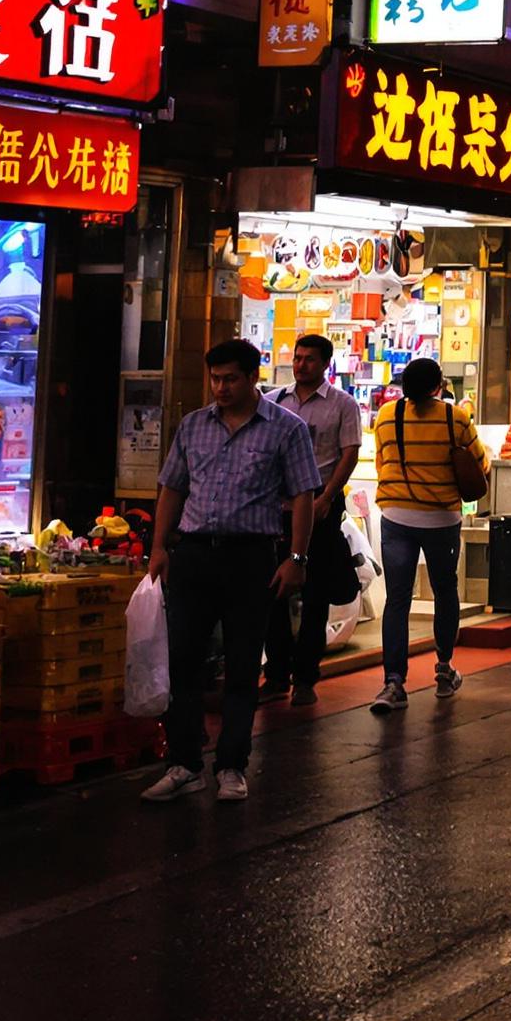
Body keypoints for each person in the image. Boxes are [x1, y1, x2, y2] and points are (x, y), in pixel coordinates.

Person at [142, 339, 321, 803]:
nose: (220, 387)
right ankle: (184, 763)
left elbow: (304, 496)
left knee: (243, 666)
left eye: (230, 379)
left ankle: (231, 765)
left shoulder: (286, 429)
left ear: (252, 377)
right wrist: (159, 547)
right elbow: (171, 488)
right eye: (215, 379)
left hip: (251, 556)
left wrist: (296, 559)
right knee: (182, 661)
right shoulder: (193, 426)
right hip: (195, 554)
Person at [367, 357, 490, 712]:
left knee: (398, 599)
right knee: (444, 590)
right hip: (440, 518)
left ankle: (393, 683)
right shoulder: (456, 417)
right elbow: (479, 467)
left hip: (396, 515)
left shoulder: (387, 415)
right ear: (439, 386)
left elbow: (381, 462)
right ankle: (443, 668)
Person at [259, 334, 362, 707]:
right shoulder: (274, 401)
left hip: (320, 506)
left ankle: (305, 677)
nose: (300, 365)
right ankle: (275, 674)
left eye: (309, 359)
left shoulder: (342, 405)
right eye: (297, 358)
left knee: (316, 595)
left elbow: (349, 453)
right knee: (272, 592)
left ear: (325, 364)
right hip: (277, 510)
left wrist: (328, 496)